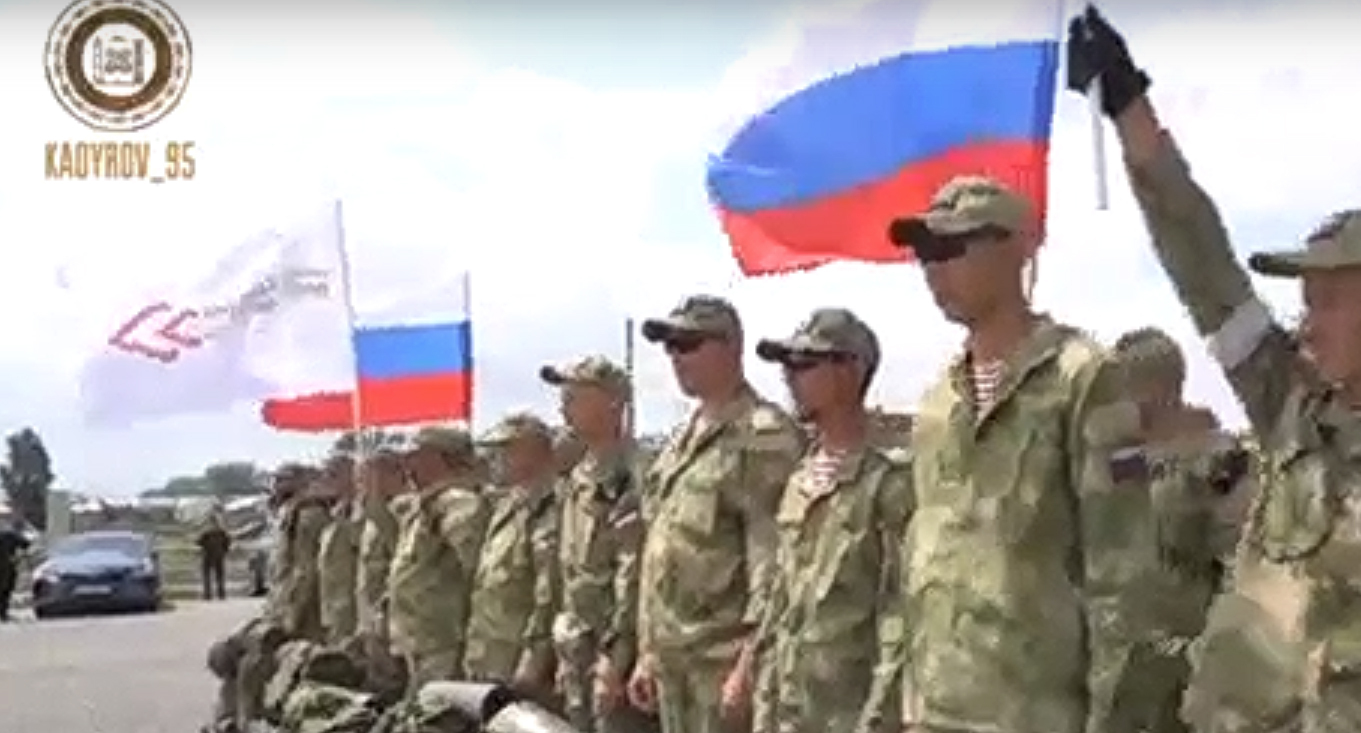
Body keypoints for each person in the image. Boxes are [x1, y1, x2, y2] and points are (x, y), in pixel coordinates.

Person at [1068, 9, 1361, 731]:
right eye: (1304, 303)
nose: (1306, 325)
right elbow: (1206, 270)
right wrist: (1129, 109)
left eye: (1327, 302)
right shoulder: (1293, 406)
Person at [886, 175, 1146, 733]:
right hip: (937, 710)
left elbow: (1121, 573)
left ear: (1017, 248)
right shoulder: (938, 403)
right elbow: (918, 562)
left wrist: (1111, 718)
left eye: (952, 247)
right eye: (925, 253)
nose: (934, 269)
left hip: (1036, 713)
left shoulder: (1084, 377)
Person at [628, 295, 804, 733]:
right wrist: (648, 653)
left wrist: (748, 668)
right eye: (669, 346)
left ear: (730, 347)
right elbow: (660, 551)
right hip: (673, 666)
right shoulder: (678, 441)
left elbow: (776, 567)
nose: (675, 357)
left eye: (688, 344)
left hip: (722, 669)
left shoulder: (763, 437)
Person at [748, 308, 914, 733]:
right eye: (787, 366)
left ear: (851, 370)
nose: (790, 378)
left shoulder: (889, 481)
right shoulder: (801, 479)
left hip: (850, 713)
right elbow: (779, 602)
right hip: (789, 710)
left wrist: (879, 719)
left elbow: (900, 616)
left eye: (805, 364)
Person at [1104, 328, 1247, 733]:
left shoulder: (1219, 458)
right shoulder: (1119, 464)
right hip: (1117, 671)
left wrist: (1212, 656)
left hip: (1183, 669)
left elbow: (1242, 562)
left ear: (1156, 388)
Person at [540, 355, 655, 733]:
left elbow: (636, 571)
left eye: (574, 395)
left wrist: (616, 660)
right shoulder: (577, 477)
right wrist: (564, 653)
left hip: (618, 653)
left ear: (612, 402)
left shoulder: (638, 473)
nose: (563, 406)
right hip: (577, 648)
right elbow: (568, 570)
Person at [464, 412, 562, 699]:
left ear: (533, 450)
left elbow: (549, 592)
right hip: (489, 656)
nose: (496, 459)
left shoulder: (551, 505)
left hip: (521, 662)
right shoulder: (509, 504)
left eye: (506, 450)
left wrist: (534, 659)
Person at [387, 426, 491, 694]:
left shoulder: (457, 503)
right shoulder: (428, 504)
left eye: (415, 455)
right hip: (422, 641)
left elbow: (477, 570)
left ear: (435, 458)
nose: (408, 464)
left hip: (444, 643)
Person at [318, 453, 363, 644]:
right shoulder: (336, 513)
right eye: (326, 474)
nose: (326, 480)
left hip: (355, 609)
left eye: (333, 474)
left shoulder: (364, 512)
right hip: (334, 605)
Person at [0, 518, 30, 622]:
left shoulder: (9, 535)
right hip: (7, 566)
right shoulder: (11, 535)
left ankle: (3, 613)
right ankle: (3, 614)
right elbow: (26, 544)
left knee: (4, 590)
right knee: (5, 590)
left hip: (6, 565)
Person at [197, 512, 232, 601]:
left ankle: (207, 594)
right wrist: (224, 551)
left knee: (207, 576)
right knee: (220, 576)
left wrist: (204, 546)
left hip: (208, 555)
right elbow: (228, 542)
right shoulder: (222, 531)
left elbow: (199, 542)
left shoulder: (206, 532)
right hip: (219, 555)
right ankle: (221, 594)